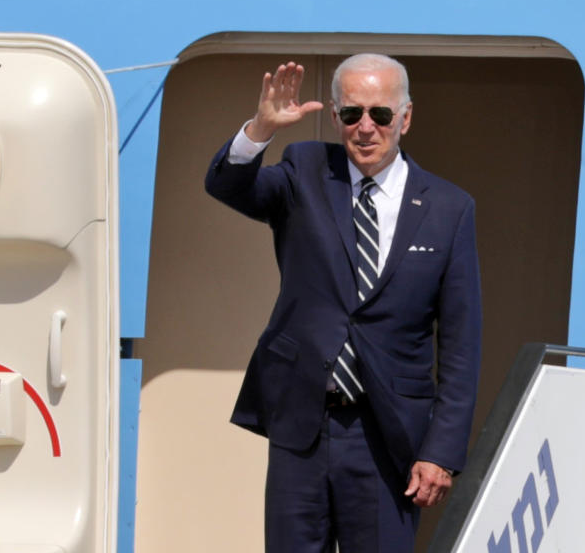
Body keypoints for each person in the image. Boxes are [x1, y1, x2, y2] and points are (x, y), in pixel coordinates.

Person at [205, 54, 481, 552]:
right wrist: (260, 129)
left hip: (388, 436)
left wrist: (441, 451)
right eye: (352, 114)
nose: (366, 128)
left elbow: (461, 347)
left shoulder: (449, 208)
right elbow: (228, 185)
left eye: (380, 114)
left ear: (406, 117)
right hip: (302, 423)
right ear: (335, 118)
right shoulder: (305, 169)